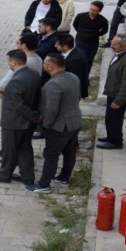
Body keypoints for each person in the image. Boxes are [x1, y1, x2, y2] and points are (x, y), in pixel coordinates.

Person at [0, 49, 41, 185]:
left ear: (13, 62)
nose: (8, 64)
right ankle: (27, 177)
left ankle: (4, 175)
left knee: (9, 150)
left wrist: (33, 116)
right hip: (27, 123)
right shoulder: (34, 75)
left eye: (9, 61)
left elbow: (19, 106)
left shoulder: (16, 80)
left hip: (14, 123)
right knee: (25, 149)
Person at [26, 53, 82, 193]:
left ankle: (44, 184)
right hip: (75, 121)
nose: (43, 66)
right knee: (70, 152)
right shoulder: (73, 77)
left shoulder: (53, 84)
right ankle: (64, 177)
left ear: (50, 67)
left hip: (59, 126)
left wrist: (46, 124)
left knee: (51, 155)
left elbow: (51, 109)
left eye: (45, 64)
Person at [97, 35, 126, 149]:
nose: (111, 46)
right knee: (110, 118)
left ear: (125, 46)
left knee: (114, 118)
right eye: (112, 42)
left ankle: (115, 142)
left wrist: (118, 101)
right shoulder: (123, 53)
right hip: (114, 91)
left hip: (119, 95)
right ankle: (111, 136)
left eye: (115, 45)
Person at [73, 1, 108, 74]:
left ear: (99, 11)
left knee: (89, 62)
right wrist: (81, 32)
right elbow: (75, 25)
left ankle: (86, 78)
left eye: (95, 10)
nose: (92, 11)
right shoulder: (80, 16)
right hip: (80, 42)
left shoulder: (102, 20)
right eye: (91, 9)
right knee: (79, 61)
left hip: (93, 44)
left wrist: (96, 34)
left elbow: (105, 30)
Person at [55, 34, 89, 100]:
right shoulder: (67, 53)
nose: (55, 46)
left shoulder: (75, 59)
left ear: (65, 46)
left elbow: (74, 79)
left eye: (57, 44)